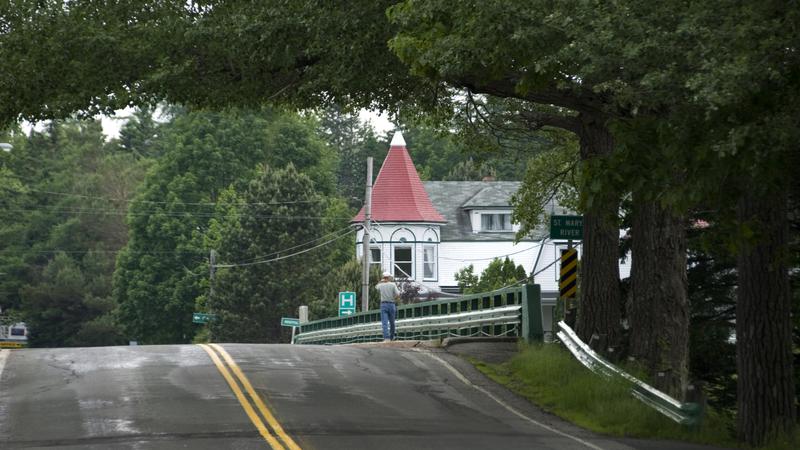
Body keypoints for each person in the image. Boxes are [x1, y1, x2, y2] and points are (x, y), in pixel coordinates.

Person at [376, 271, 401, 342]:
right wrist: (394, 298)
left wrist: (381, 281)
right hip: (391, 304)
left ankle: (386, 338)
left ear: (383, 277)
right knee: (392, 322)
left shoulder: (380, 285)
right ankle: (392, 336)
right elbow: (398, 294)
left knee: (384, 322)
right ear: (389, 277)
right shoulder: (393, 285)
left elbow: (376, 287)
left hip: (383, 304)